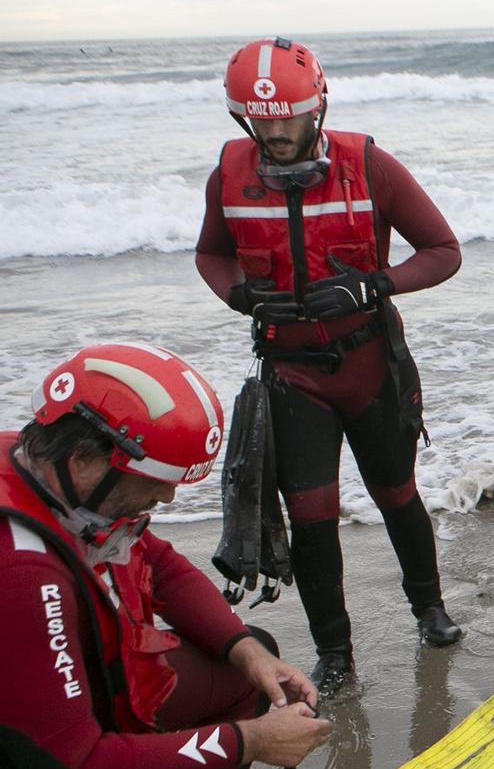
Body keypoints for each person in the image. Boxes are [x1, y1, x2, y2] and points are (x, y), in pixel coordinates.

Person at [0, 344, 332, 769]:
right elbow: (75, 768)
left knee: (248, 666)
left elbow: (152, 554)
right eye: (153, 483)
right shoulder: (20, 572)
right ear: (88, 459)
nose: (168, 498)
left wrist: (245, 650)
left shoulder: (46, 471)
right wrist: (252, 742)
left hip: (43, 720)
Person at [195, 37, 465, 691]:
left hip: (370, 365)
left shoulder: (369, 166)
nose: (275, 131)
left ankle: (430, 609)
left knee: (396, 493)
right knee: (313, 517)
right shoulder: (230, 176)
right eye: (261, 120)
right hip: (292, 376)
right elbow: (211, 254)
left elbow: (443, 249)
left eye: (288, 116)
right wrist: (236, 293)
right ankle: (336, 654)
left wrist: (375, 284)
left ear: (316, 107)